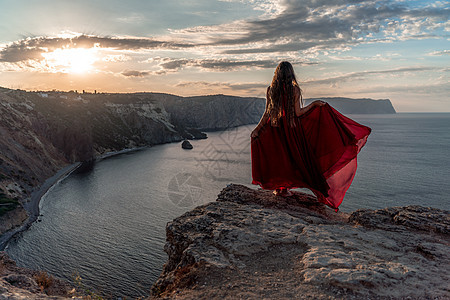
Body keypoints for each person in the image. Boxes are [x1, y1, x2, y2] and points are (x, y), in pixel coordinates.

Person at [250, 61, 371, 211]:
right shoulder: (294, 90)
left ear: (276, 74)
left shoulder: (271, 90)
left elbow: (267, 113)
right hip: (292, 129)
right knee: (296, 160)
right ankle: (284, 188)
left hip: (275, 129)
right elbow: (299, 113)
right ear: (291, 74)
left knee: (280, 159)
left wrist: (257, 129)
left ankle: (279, 188)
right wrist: (314, 105)